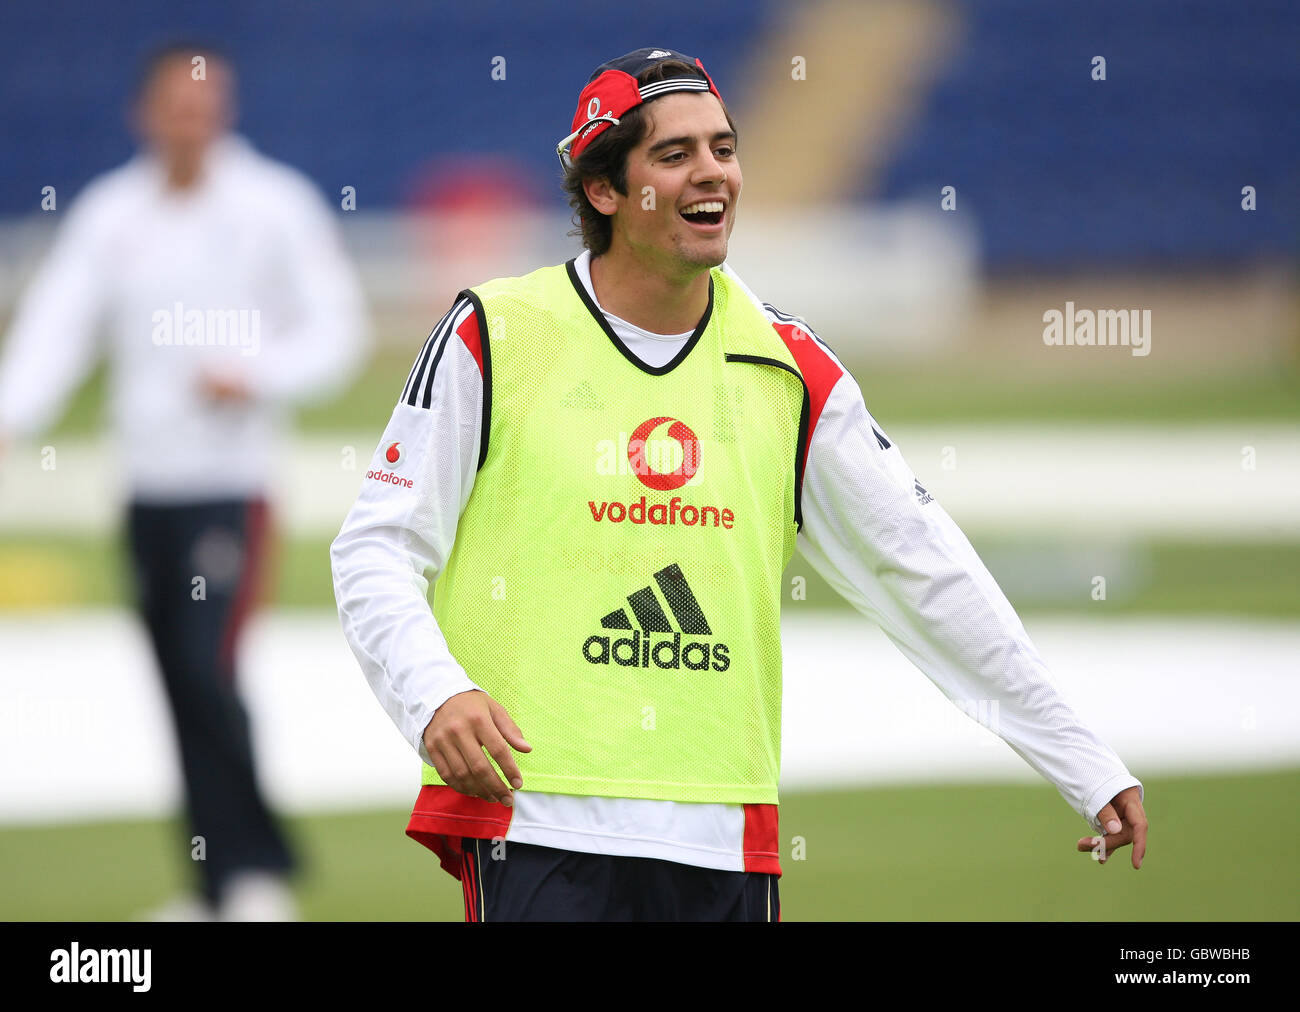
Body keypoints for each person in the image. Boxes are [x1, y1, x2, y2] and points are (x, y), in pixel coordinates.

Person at [329, 47, 1147, 922]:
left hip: (723, 833)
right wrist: (436, 694)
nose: (712, 172)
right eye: (674, 155)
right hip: (540, 820)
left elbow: (924, 569)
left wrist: (1082, 759)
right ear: (604, 190)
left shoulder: (791, 369)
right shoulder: (495, 334)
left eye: (723, 147)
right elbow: (375, 547)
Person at [0, 42, 369, 919]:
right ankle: (212, 883)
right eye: (175, 104)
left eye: (205, 105)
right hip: (146, 490)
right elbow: (57, 330)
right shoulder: (111, 215)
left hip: (229, 488)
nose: (190, 121)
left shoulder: (273, 206)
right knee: (173, 682)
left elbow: (336, 330)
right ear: (146, 112)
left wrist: (258, 372)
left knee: (209, 670)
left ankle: (256, 875)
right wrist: (10, 418)